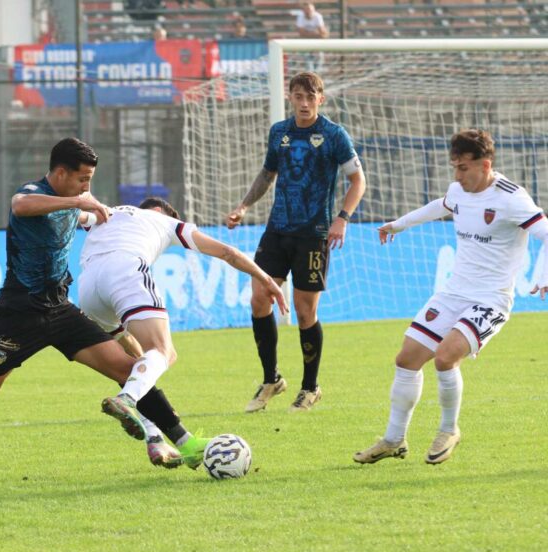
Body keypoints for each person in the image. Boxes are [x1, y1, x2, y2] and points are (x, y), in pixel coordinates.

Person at [0, 138, 211, 485]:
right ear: (61, 173)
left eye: (90, 180)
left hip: (60, 311)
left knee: (128, 370)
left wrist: (104, 217)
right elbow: (20, 205)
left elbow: (88, 215)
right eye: (83, 179)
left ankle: (186, 443)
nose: (87, 187)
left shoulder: (74, 203)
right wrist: (77, 201)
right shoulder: (34, 193)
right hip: (18, 315)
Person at [354, 129, 548, 465]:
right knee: (406, 359)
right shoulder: (458, 190)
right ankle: (393, 440)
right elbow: (441, 206)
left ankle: (448, 429)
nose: (457, 175)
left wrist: (543, 275)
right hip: (453, 291)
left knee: (445, 358)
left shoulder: (512, 198)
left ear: (485, 165)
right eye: (454, 167)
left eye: (463, 168)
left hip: (490, 300)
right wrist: (398, 224)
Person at [79, 197, 289, 463]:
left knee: (136, 364)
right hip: (125, 270)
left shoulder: (109, 212)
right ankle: (127, 399)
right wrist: (266, 279)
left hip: (87, 288)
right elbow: (228, 253)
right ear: (161, 211)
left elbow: (78, 216)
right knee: (163, 352)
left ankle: (155, 438)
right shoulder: (166, 221)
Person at [225, 71, 365, 413]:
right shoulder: (279, 132)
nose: (304, 103)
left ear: (321, 99)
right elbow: (267, 174)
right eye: (298, 96)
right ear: (290, 97)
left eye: (310, 97)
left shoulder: (334, 135)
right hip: (277, 230)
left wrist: (342, 219)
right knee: (259, 299)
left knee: (305, 312)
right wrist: (243, 206)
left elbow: (358, 180)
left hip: (313, 234)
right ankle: (271, 379)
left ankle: (310, 387)